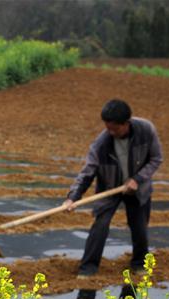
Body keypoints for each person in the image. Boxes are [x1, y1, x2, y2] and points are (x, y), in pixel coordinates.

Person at [63, 99, 163, 277]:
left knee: (139, 226)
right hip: (109, 186)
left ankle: (139, 264)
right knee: (100, 225)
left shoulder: (146, 131)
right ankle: (88, 268)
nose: (110, 132)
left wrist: (137, 179)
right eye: (107, 127)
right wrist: (73, 197)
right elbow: (87, 172)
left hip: (138, 188)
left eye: (114, 129)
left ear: (126, 123)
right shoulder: (101, 144)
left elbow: (156, 159)